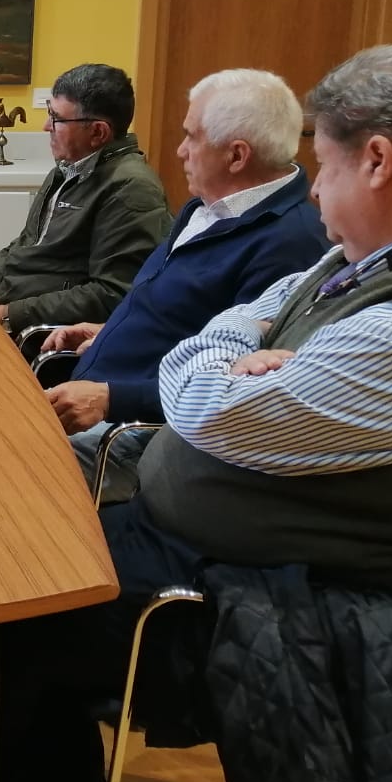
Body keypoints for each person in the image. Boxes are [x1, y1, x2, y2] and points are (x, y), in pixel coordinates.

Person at [0, 45, 392, 782]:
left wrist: (220, 358)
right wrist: (235, 347)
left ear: (375, 161)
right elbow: (256, 314)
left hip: (267, 585)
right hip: (209, 534)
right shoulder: (376, 254)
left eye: (320, 167)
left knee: (15, 596)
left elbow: (207, 405)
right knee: (9, 559)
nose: (311, 189)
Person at [37, 69, 329, 501]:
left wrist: (112, 397)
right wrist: (109, 329)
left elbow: (234, 391)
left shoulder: (289, 243)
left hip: (133, 438)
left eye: (191, 137)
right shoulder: (206, 208)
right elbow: (182, 316)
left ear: (236, 156)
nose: (179, 151)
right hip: (94, 397)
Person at [0, 63, 171, 331]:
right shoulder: (65, 170)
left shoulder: (131, 189)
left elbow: (111, 294)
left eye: (56, 118)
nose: (45, 126)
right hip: (11, 309)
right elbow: (23, 243)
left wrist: (7, 314)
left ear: (98, 132)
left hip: (36, 333)